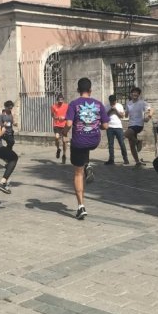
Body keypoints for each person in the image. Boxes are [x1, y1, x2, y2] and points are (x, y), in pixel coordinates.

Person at [64, 77, 109, 220]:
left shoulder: (73, 104)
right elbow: (106, 126)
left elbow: (69, 124)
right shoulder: (99, 104)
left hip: (79, 142)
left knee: (78, 174)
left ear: (78, 90)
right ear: (90, 90)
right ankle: (87, 164)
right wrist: (96, 125)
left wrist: (64, 133)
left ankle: (81, 206)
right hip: (94, 141)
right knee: (86, 146)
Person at [124, 87, 153, 169]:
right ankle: (137, 162)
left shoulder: (142, 103)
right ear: (131, 94)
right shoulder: (128, 103)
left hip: (138, 124)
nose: (135, 94)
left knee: (125, 134)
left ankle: (138, 142)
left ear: (139, 94)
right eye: (133, 92)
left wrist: (149, 117)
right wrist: (125, 113)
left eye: (137, 93)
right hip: (131, 124)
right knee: (131, 144)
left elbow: (151, 109)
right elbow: (126, 114)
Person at [105, 94, 129, 165]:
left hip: (118, 127)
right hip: (109, 127)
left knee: (121, 143)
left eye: (114, 101)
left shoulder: (119, 106)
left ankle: (125, 159)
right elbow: (105, 116)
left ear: (116, 101)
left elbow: (122, 116)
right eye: (111, 101)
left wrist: (116, 110)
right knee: (110, 144)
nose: (112, 103)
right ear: (109, 101)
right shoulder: (106, 106)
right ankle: (111, 159)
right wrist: (110, 110)